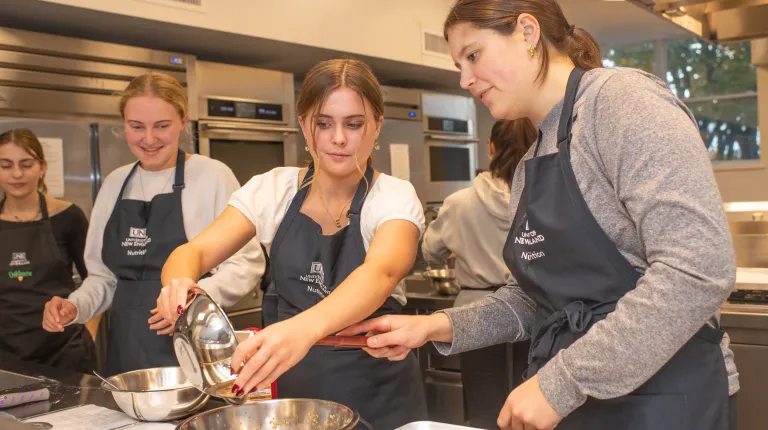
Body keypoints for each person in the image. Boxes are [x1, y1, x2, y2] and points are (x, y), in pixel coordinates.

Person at [341, 1, 739, 429]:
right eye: (459, 65)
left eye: (473, 55)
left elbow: (697, 270)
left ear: (528, 33)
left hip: (665, 400)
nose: (465, 79)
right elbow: (533, 300)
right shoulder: (532, 163)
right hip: (582, 401)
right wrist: (435, 327)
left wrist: (560, 383)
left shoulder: (622, 101)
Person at [156, 58, 427, 429]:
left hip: (378, 397)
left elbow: (380, 274)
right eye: (323, 123)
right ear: (304, 125)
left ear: (376, 126)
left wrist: (302, 330)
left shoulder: (394, 196)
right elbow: (195, 251)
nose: (339, 138)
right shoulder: (273, 190)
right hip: (294, 402)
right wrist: (178, 284)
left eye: (354, 124)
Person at [42, 72, 265, 377]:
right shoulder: (115, 183)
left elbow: (246, 263)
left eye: (162, 126)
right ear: (124, 125)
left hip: (194, 346)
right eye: (137, 127)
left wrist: (193, 299)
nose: (149, 139)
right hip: (126, 352)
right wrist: (75, 306)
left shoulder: (212, 176)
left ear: (183, 121)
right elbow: (103, 278)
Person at [421, 118, 536, 428]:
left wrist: (464, 241)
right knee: (531, 413)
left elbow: (430, 251)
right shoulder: (540, 198)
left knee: (484, 414)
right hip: (535, 313)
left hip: (474, 315)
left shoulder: (459, 202)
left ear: (490, 147)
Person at [0, 128, 96, 373]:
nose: (17, 174)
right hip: (6, 356)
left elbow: (96, 281)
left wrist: (90, 337)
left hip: (65, 353)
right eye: (6, 165)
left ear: (42, 168)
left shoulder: (69, 217)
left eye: (26, 164)